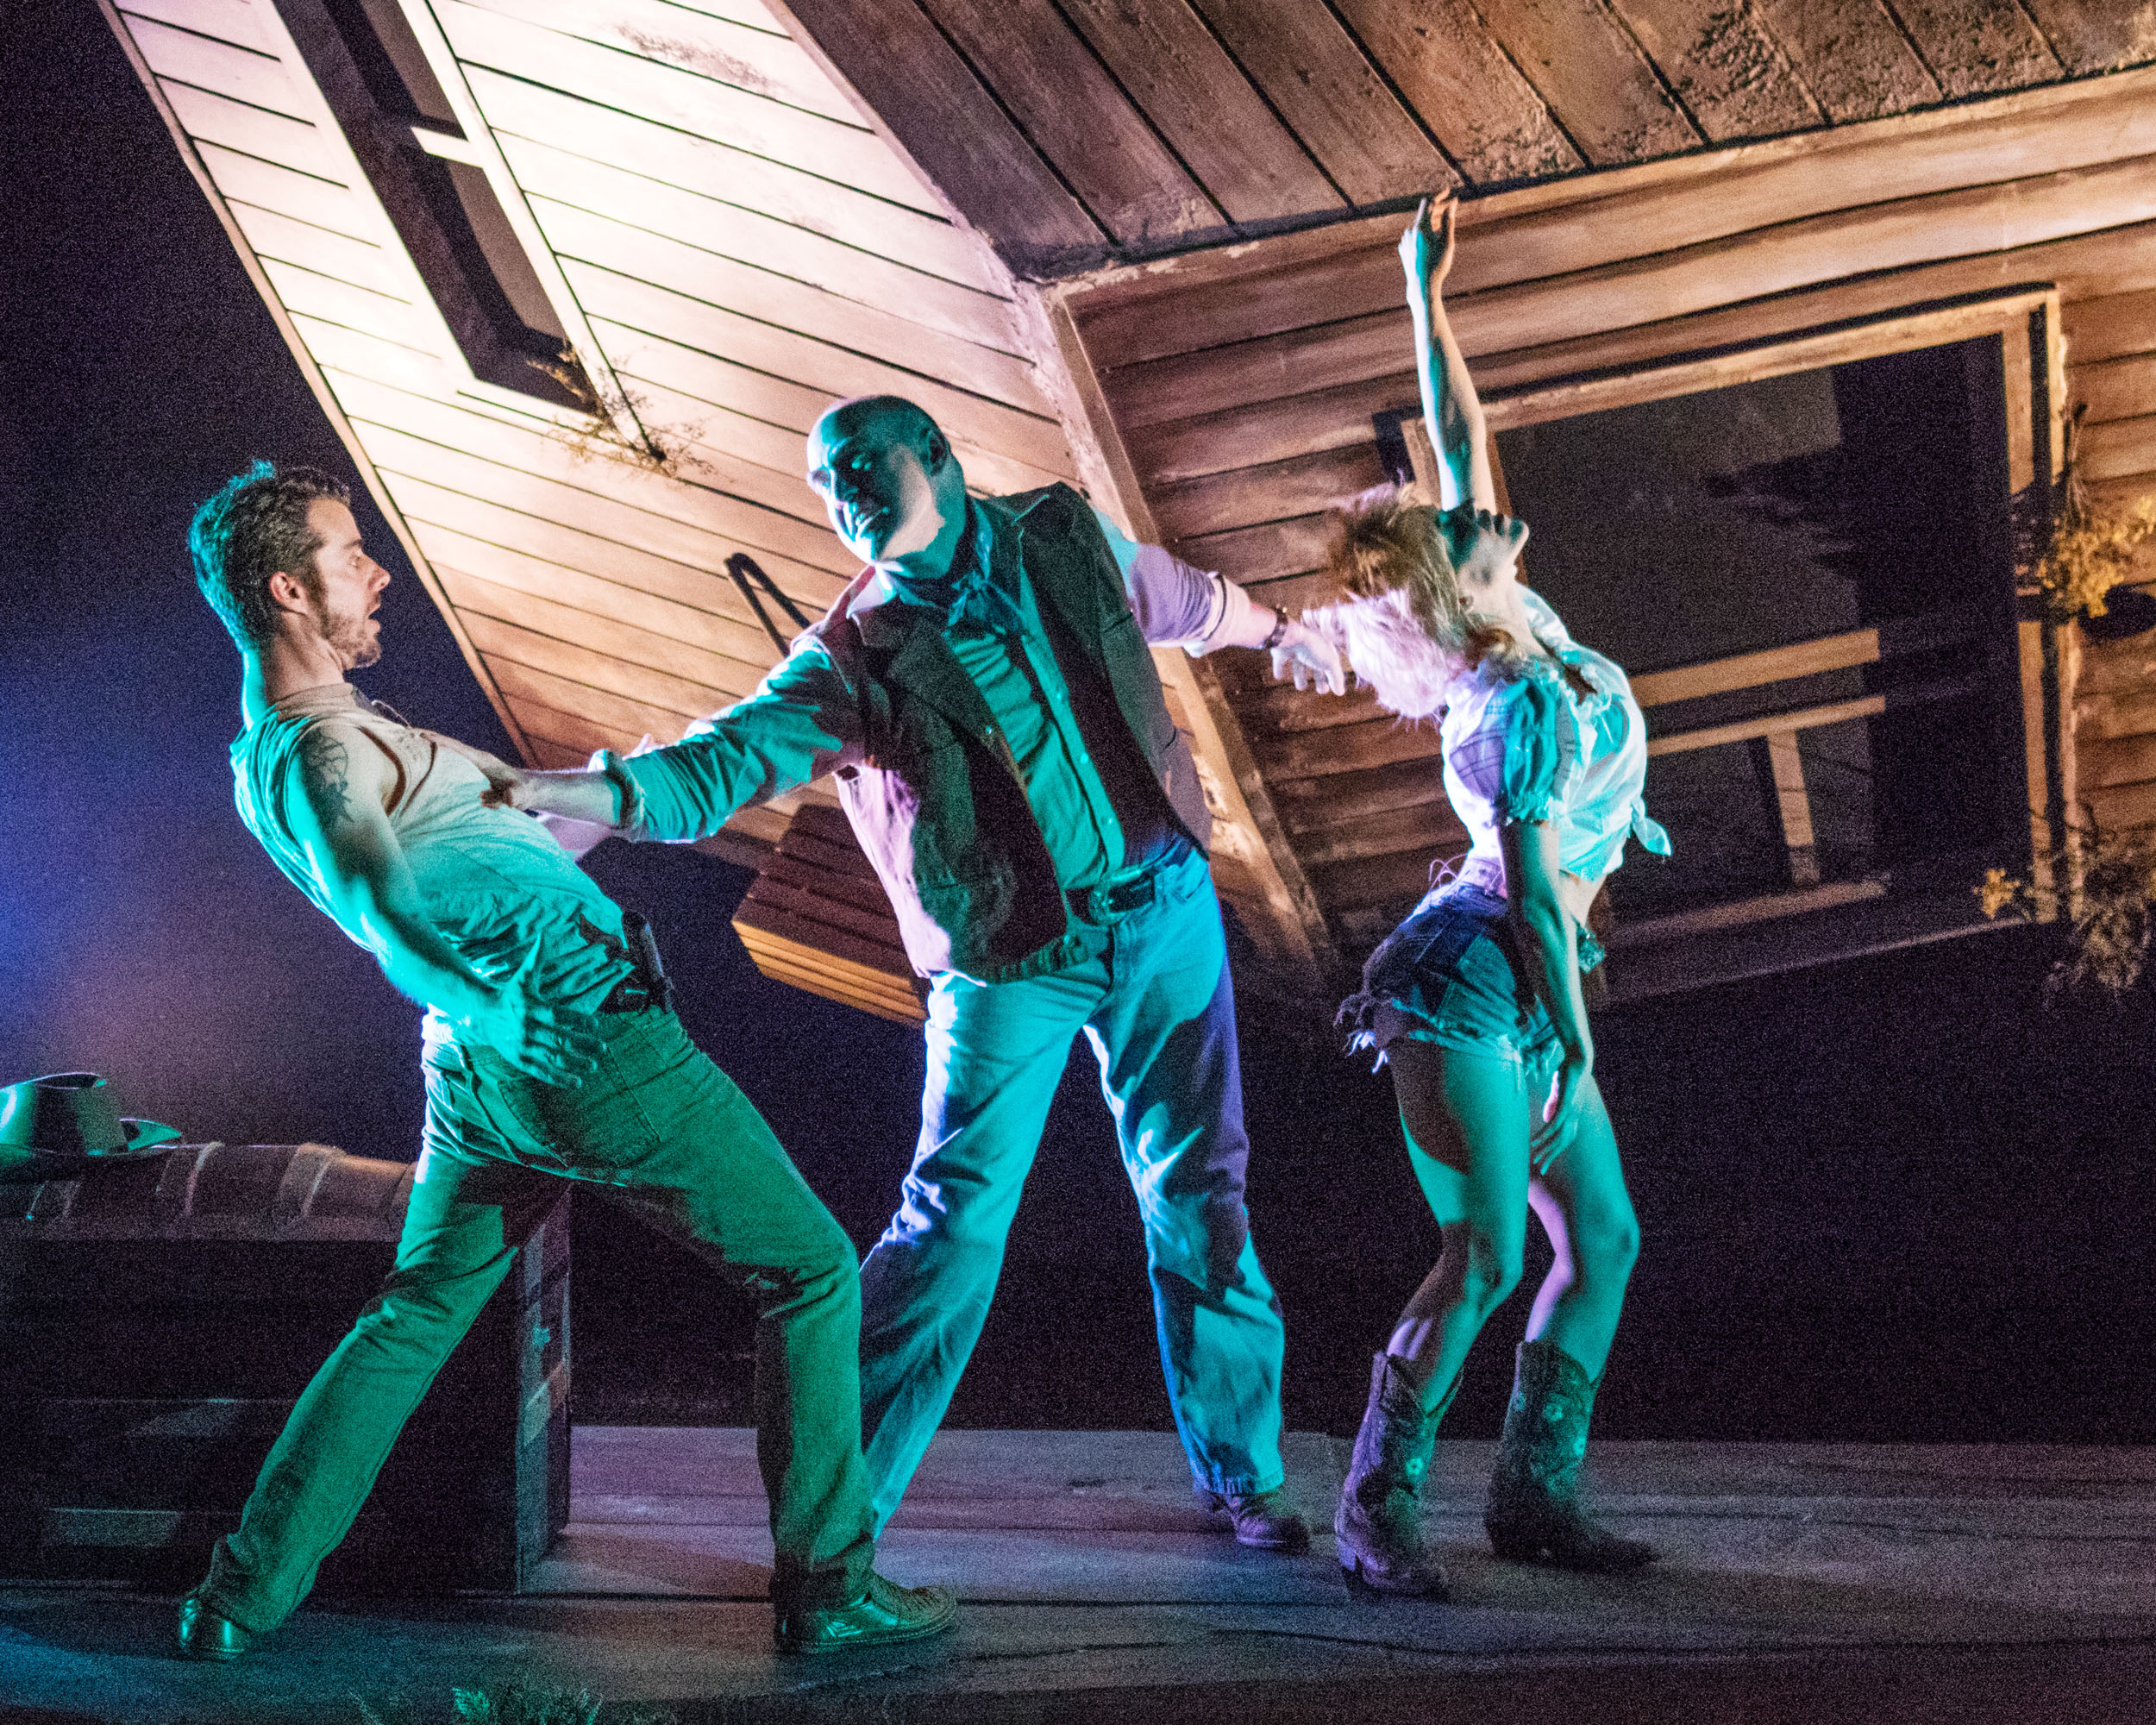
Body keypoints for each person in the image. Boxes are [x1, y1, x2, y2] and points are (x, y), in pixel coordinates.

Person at [485, 397, 1344, 1545]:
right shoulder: (854, 653)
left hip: (1164, 913)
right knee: (950, 1226)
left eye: (858, 466)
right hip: (1011, 962)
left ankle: (1241, 1472)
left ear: (935, 459)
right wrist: (583, 798)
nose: (840, 494)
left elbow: (1182, 597)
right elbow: (725, 756)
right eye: (822, 482)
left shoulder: (1059, 533)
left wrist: (1284, 633)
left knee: (1202, 1190)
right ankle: (838, 1518)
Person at [178, 461, 952, 1659]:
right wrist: (492, 1003)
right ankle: (829, 1587)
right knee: (809, 1273)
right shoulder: (318, 749)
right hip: (580, 1041)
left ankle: (239, 1595)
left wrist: (633, 783)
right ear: (287, 588)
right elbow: (385, 912)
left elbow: (491, 857)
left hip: (485, 1084)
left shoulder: (289, 744)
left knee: (417, 1310)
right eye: (350, 554)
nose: (378, 574)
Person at [1302, 200, 1670, 1596]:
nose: (1472, 506)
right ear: (1457, 597)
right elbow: (1528, 902)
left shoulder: (1535, 624)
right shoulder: (1505, 702)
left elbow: (1458, 437)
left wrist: (1423, 293)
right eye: (1458, 531)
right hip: (1475, 978)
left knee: (1608, 1237)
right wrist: (1571, 1038)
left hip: (1524, 974)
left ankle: (1533, 1501)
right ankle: (1374, 1514)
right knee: (1487, 1251)